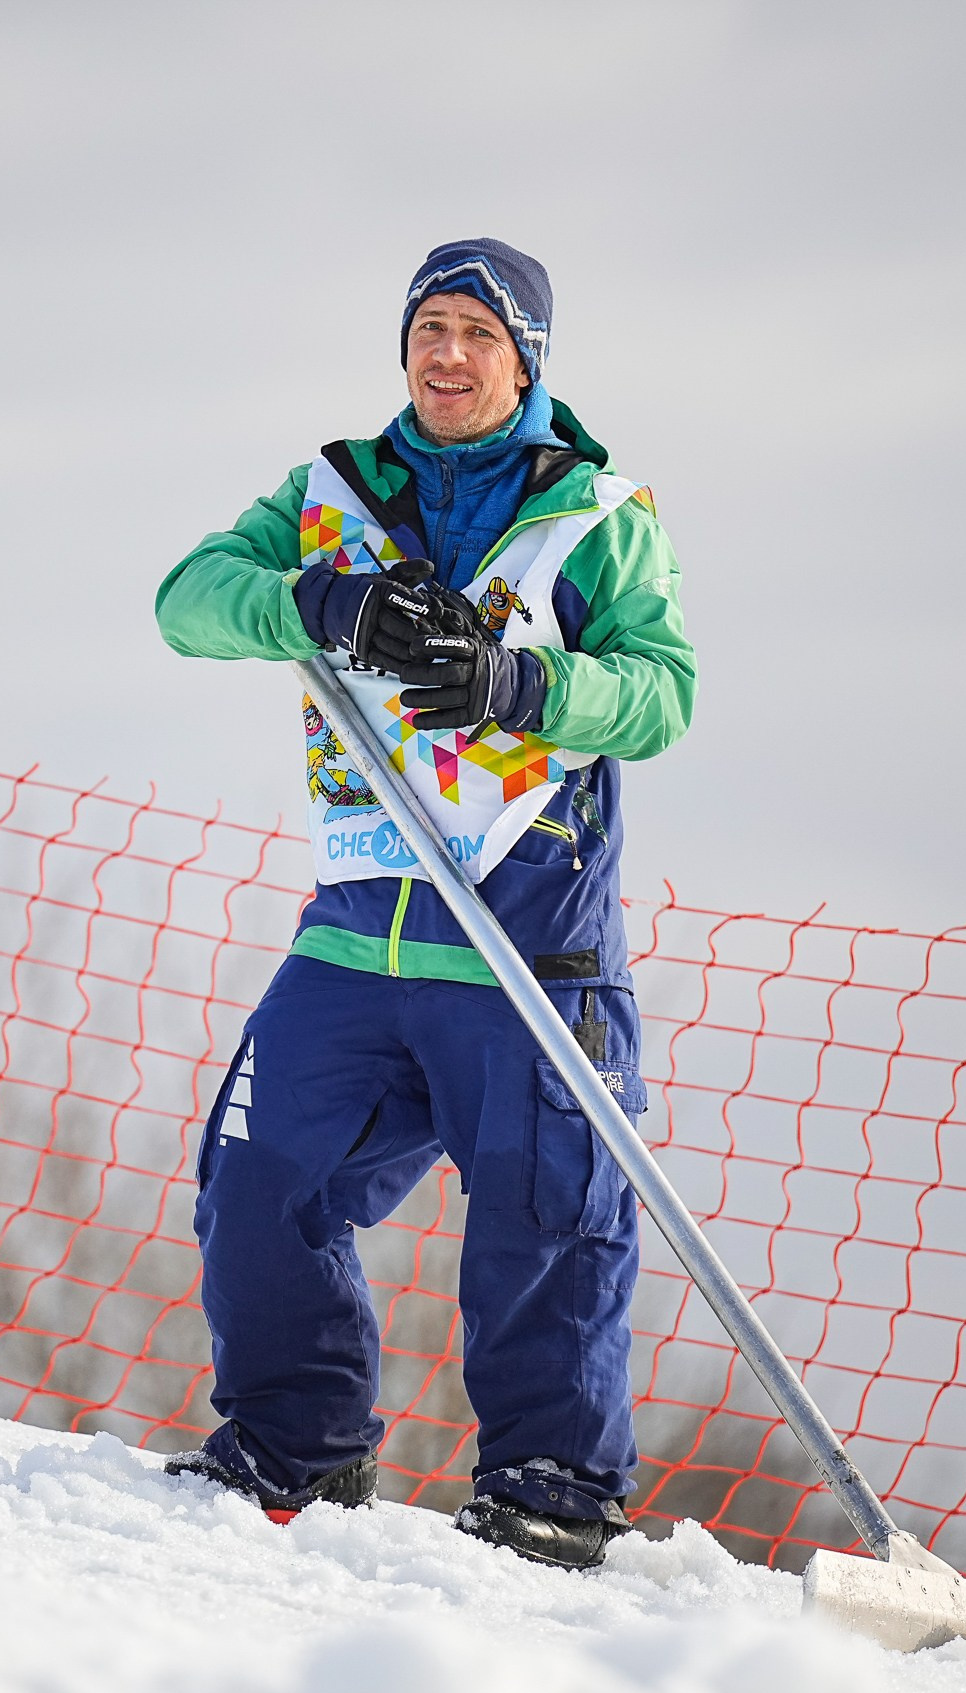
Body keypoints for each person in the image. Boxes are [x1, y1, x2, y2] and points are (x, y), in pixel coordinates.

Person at [152, 239, 695, 1569]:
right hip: (358, 935)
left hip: (528, 945)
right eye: (428, 329)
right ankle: (300, 1441)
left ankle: (550, 1489)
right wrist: (318, 602)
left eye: (477, 333)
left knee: (548, 1219)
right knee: (257, 1176)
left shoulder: (597, 515)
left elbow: (662, 690)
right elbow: (186, 604)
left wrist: (527, 689)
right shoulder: (331, 491)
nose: (446, 355)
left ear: (528, 363)